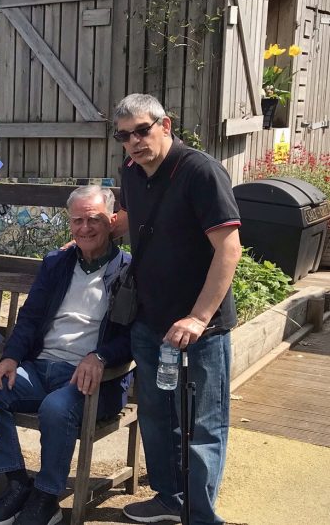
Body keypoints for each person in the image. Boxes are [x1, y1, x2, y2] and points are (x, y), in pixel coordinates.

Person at [111, 94, 241, 525]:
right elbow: (130, 218)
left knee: (203, 423)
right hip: (150, 320)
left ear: (166, 125)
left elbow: (229, 249)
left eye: (142, 130)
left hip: (201, 327)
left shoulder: (201, 172)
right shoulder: (130, 171)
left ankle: (201, 516)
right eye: (124, 135)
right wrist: (90, 233)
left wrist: (199, 317)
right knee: (156, 415)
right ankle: (169, 498)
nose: (134, 141)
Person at [0, 186, 132, 525]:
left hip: (93, 378)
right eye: (77, 220)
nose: (85, 228)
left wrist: (101, 356)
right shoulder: (56, 262)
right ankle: (17, 484)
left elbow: (135, 336)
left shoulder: (127, 271)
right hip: (40, 368)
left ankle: (47, 498)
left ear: (112, 221)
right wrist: (11, 358)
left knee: (56, 408)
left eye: (94, 219)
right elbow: (30, 318)